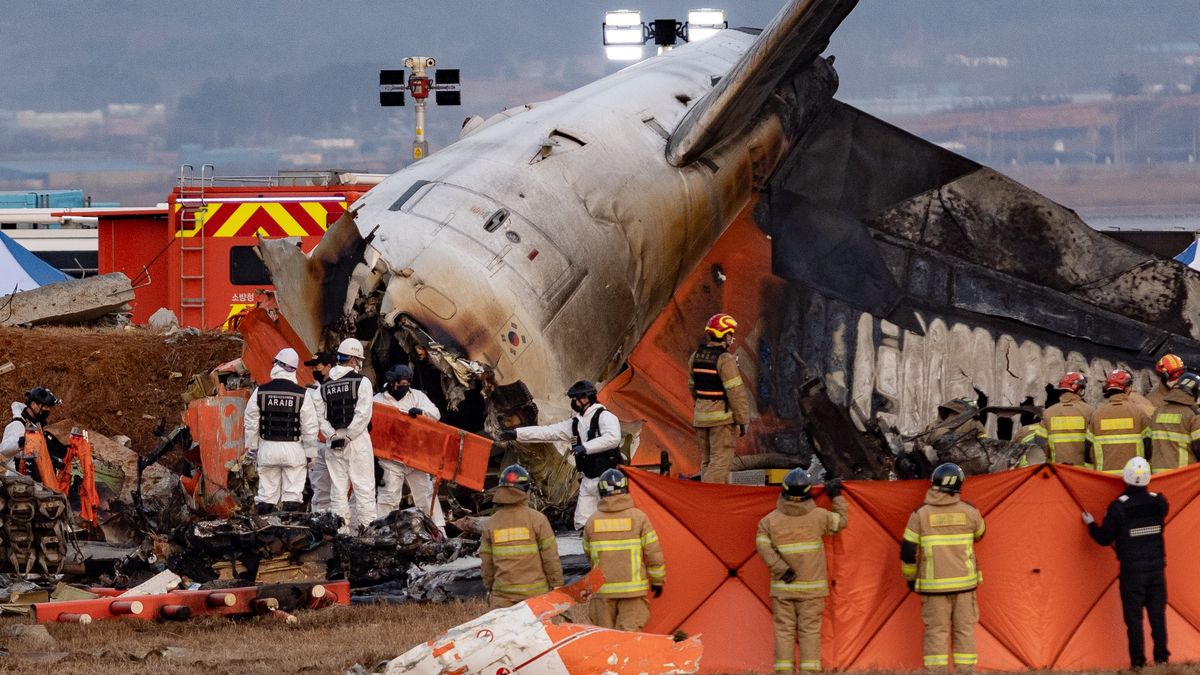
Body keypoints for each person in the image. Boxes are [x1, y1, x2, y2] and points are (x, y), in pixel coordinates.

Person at [755, 469, 847, 673]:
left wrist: (781, 570)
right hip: (812, 592)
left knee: (784, 632)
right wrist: (836, 496)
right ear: (808, 493)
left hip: (783, 589)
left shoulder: (769, 521)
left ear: (783, 491)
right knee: (810, 633)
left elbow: (762, 548)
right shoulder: (820, 517)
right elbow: (842, 522)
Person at [498, 380, 622, 529]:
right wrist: (516, 433)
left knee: (611, 518)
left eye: (575, 399)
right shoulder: (575, 423)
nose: (573, 402)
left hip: (606, 477)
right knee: (581, 521)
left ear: (585, 398)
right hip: (588, 478)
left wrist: (586, 447)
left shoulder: (605, 417)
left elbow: (613, 438)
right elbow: (547, 432)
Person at [1083, 457, 1170, 668]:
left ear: (1125, 477)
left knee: (1134, 618)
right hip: (1157, 568)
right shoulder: (1159, 502)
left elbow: (1104, 538)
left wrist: (1090, 524)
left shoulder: (1118, 507)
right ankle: (1162, 659)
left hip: (1133, 571)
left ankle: (1138, 663)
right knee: (1158, 615)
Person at [900, 463, 985, 672]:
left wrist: (910, 578)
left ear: (934, 484)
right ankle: (965, 671)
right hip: (965, 586)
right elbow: (980, 534)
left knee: (936, 632)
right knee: (964, 630)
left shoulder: (920, 514)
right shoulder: (970, 511)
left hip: (933, 587)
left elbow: (908, 551)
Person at [582, 468, 665, 632]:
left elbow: (588, 554)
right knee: (631, 638)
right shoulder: (639, 518)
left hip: (603, 591)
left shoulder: (592, 521)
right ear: (626, 488)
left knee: (606, 639)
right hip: (632, 591)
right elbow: (653, 553)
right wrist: (657, 580)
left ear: (601, 491)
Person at [311, 338, 376, 533]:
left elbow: (319, 417)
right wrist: (349, 436)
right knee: (364, 488)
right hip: (357, 442)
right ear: (355, 360)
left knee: (338, 490)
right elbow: (363, 414)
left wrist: (332, 436)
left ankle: (341, 533)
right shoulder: (362, 382)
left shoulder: (323, 387)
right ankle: (367, 531)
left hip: (333, 444)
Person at [243, 348, 319, 514]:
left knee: (266, 495)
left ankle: (265, 531)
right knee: (292, 494)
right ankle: (289, 531)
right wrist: (311, 454)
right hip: (294, 450)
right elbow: (310, 427)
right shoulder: (302, 394)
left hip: (267, 449)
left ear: (277, 364)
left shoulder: (260, 391)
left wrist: (252, 447)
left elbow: (251, 421)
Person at [480, 464, 563, 609]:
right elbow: (550, 558)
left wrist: (489, 586)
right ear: (526, 491)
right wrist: (557, 584)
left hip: (502, 599)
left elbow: (487, 564)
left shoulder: (491, 523)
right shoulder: (538, 520)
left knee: (505, 632)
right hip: (536, 598)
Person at [374, 363, 446, 530]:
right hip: (390, 457)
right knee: (389, 497)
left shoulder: (417, 396)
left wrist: (421, 413)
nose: (404, 387)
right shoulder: (378, 400)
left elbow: (435, 414)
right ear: (392, 382)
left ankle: (438, 531)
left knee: (425, 496)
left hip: (416, 455)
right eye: (401, 383)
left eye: (407, 383)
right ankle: (382, 532)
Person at [688, 313, 751, 483]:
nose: (732, 338)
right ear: (724, 334)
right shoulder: (725, 359)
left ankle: (708, 498)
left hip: (701, 418)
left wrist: (703, 405)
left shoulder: (696, 357)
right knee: (720, 463)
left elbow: (692, 387)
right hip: (721, 422)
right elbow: (736, 393)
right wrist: (742, 420)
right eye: (730, 333)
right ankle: (708, 502)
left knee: (707, 461)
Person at [1022, 372, 1094, 466]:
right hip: (1081, 472)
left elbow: (1040, 444)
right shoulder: (1089, 411)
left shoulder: (1048, 413)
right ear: (1079, 390)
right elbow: (1093, 446)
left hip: (1057, 472)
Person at [1088, 369, 1151, 474]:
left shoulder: (1097, 414)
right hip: (1133, 475)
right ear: (1126, 389)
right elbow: (1149, 446)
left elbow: (1088, 449)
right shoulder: (1138, 413)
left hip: (1105, 476)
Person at [1, 387, 63, 477]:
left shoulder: (35, 425)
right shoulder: (18, 424)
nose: (48, 410)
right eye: (45, 406)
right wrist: (20, 443)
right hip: (18, 481)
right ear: (34, 404)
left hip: (34, 480)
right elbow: (4, 449)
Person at [1147, 371, 1200, 472]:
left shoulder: (1158, 412)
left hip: (1158, 475)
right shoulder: (1192, 416)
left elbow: (1148, 445)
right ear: (1194, 394)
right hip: (1182, 475)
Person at [304, 351, 336, 513]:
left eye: (317, 366)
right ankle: (319, 526)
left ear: (329, 367)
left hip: (337, 444)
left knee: (339, 489)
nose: (314, 370)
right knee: (320, 488)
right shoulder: (309, 391)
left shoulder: (339, 388)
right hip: (317, 445)